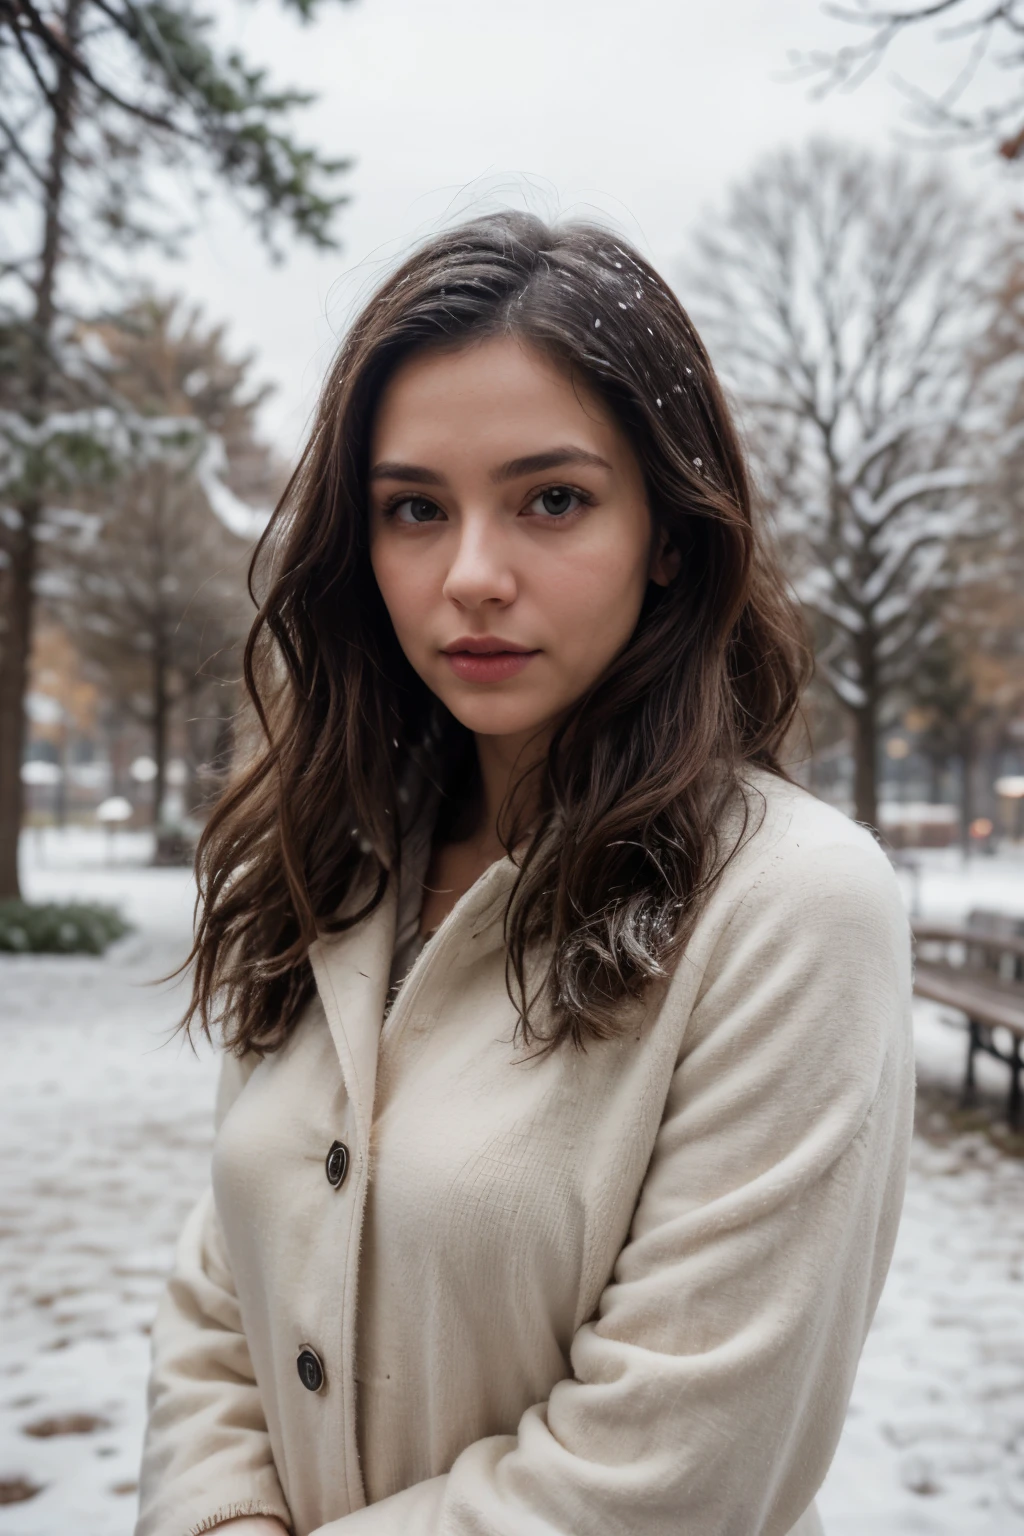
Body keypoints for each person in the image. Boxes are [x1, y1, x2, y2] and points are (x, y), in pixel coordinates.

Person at [135, 212, 914, 1536]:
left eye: (552, 500)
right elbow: (226, 1293)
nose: (473, 575)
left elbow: (667, 1469)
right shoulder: (335, 868)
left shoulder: (788, 906)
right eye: (414, 510)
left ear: (671, 530)